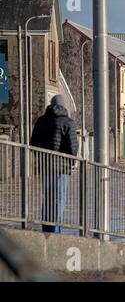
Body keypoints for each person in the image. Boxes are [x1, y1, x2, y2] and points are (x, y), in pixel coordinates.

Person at [31, 95, 79, 233]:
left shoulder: (41, 121)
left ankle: (46, 228)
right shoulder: (68, 122)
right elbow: (73, 147)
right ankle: (55, 231)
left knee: (47, 198)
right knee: (59, 198)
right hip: (62, 169)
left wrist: (41, 158)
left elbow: (33, 143)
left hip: (45, 166)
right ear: (64, 106)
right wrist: (70, 162)